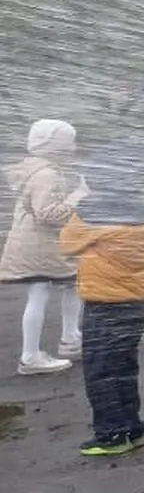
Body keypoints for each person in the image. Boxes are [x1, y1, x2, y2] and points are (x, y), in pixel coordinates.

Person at [59, 128, 144, 457]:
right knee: (125, 369)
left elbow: (67, 244)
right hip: (133, 304)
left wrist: (79, 198)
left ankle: (111, 435)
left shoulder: (91, 210)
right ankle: (132, 428)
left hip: (104, 305)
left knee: (101, 372)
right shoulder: (142, 207)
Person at [2, 118, 83, 375]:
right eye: (68, 142)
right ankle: (34, 355)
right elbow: (49, 213)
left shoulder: (34, 170)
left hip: (31, 241)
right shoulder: (47, 174)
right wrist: (79, 196)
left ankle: (66, 340)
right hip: (41, 244)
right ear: (53, 145)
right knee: (60, 286)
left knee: (55, 287)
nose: (73, 148)